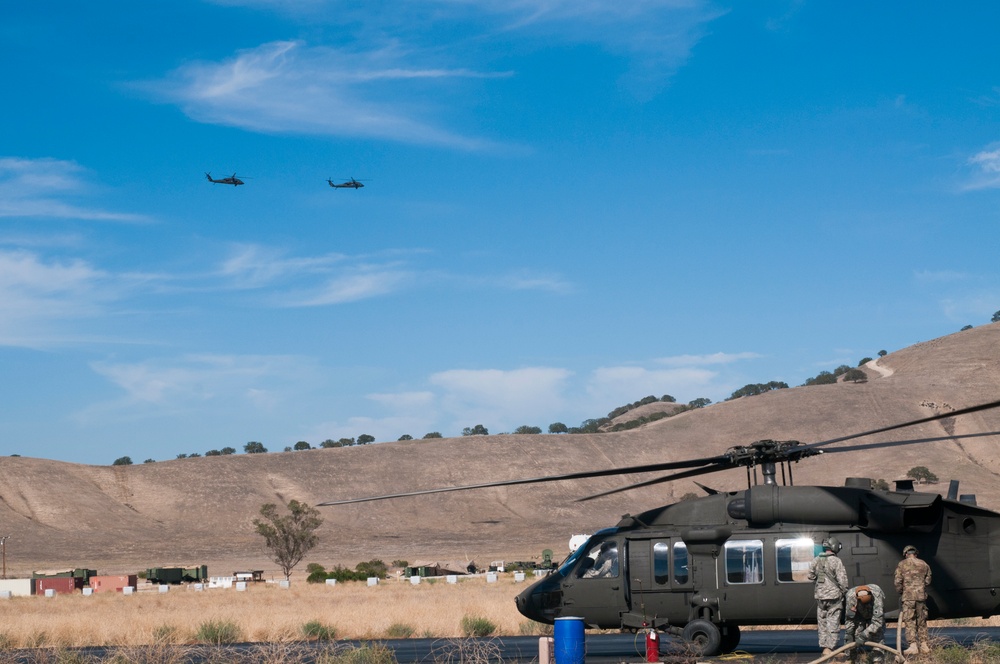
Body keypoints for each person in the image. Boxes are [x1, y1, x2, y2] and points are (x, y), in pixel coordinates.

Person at [808, 537, 849, 656]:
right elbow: (843, 581)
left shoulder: (816, 560)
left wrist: (821, 584)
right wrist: (843, 591)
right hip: (834, 598)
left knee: (822, 623)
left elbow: (810, 576)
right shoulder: (836, 561)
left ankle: (824, 648)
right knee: (833, 622)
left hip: (820, 598)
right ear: (835, 547)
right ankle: (830, 649)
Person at [895, 544, 932, 655]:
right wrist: (920, 587)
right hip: (921, 597)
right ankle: (924, 645)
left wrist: (902, 591)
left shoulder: (902, 564)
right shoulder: (924, 564)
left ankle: (913, 646)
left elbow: (897, 582)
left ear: (906, 554)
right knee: (921, 620)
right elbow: (928, 580)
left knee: (910, 621)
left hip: (908, 597)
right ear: (915, 554)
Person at [845, 584, 886, 664]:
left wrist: (864, 635)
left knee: (877, 634)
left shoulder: (877, 596)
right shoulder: (851, 597)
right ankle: (852, 659)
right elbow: (850, 618)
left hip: (874, 614)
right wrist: (849, 633)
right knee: (855, 635)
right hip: (859, 614)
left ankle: (877, 660)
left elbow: (878, 621)